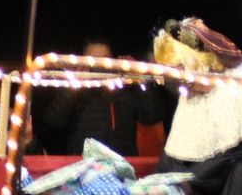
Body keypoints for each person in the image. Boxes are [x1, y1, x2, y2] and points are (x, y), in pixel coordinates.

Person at [153, 18, 242, 195]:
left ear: (200, 62)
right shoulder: (191, 91)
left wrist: (190, 179)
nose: (183, 85)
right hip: (214, 168)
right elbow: (178, 151)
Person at [37, 38, 165, 156]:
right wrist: (73, 85)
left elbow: (152, 118)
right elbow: (53, 120)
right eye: (92, 60)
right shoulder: (76, 91)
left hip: (122, 166)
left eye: (104, 59)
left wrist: (139, 78)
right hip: (84, 166)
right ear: (83, 61)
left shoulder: (126, 87)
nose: (98, 65)